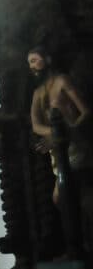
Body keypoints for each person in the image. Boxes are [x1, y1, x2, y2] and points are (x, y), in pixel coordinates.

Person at [28, 46, 91, 205]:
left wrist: (65, 132)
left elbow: (85, 112)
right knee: (59, 198)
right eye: (29, 63)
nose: (32, 66)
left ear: (47, 59)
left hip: (75, 144)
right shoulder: (38, 93)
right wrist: (54, 133)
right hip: (57, 148)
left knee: (74, 192)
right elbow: (36, 125)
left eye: (34, 60)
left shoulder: (62, 81)